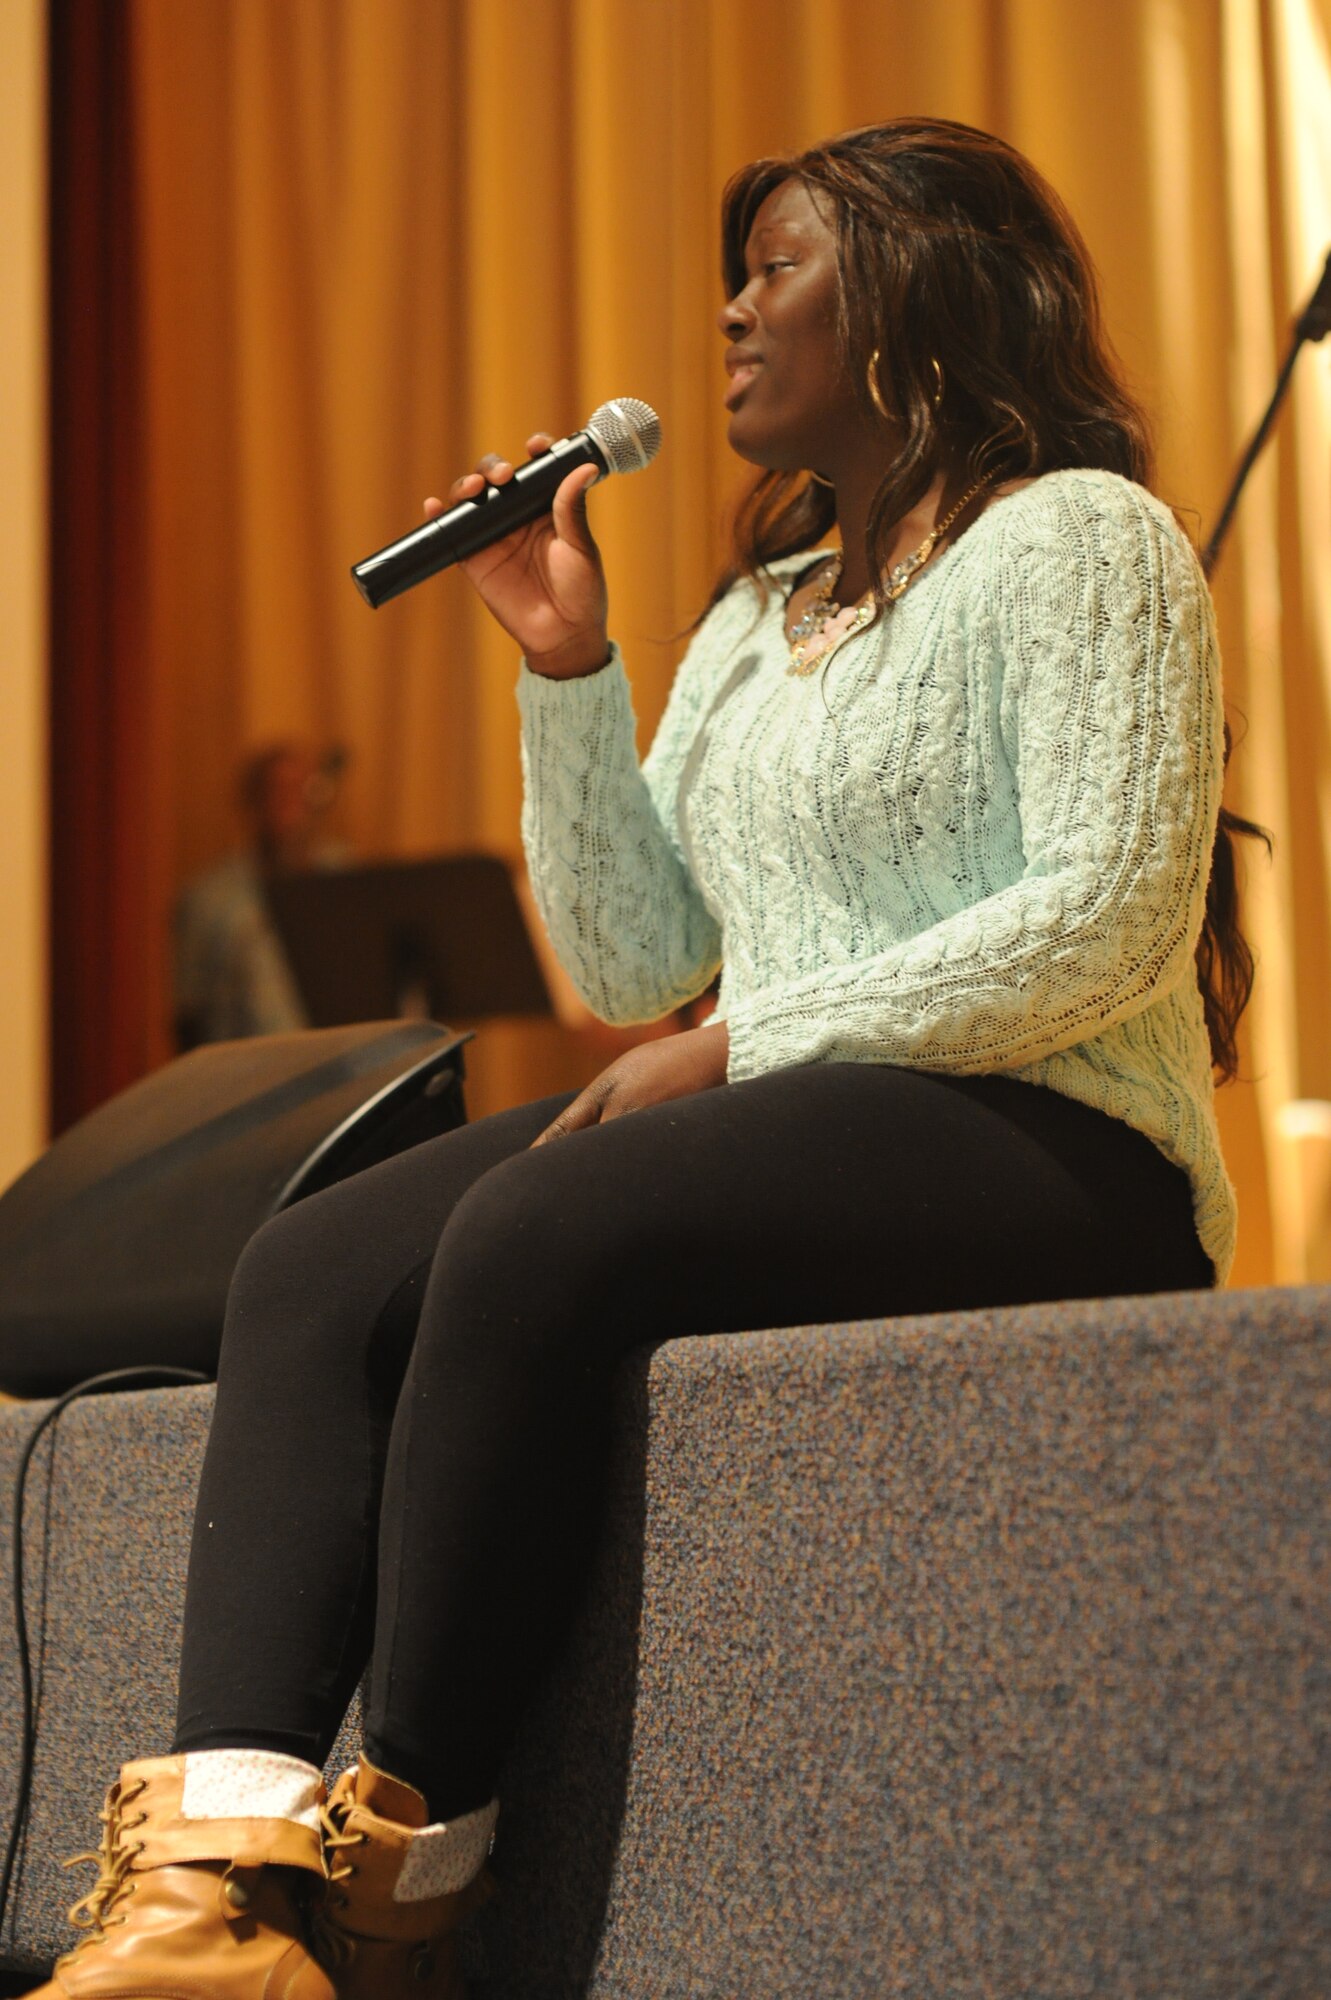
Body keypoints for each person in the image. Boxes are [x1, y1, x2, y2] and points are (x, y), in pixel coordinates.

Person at [35, 117, 1254, 1999]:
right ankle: (219, 1892)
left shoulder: (1082, 541)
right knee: (314, 1263)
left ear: (921, 285)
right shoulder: (760, 623)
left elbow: (1105, 917)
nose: (729, 308)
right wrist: (563, 667)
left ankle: (402, 1878)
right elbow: (632, 960)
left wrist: (755, 1042)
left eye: (777, 265)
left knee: (540, 1231)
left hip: (1052, 1128)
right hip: (788, 1113)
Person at [173, 741, 349, 1049]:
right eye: (279, 793)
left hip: (331, 1067)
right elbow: (188, 1014)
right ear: (253, 802)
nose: (292, 806)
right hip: (241, 1072)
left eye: (302, 791)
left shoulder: (344, 879)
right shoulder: (210, 899)